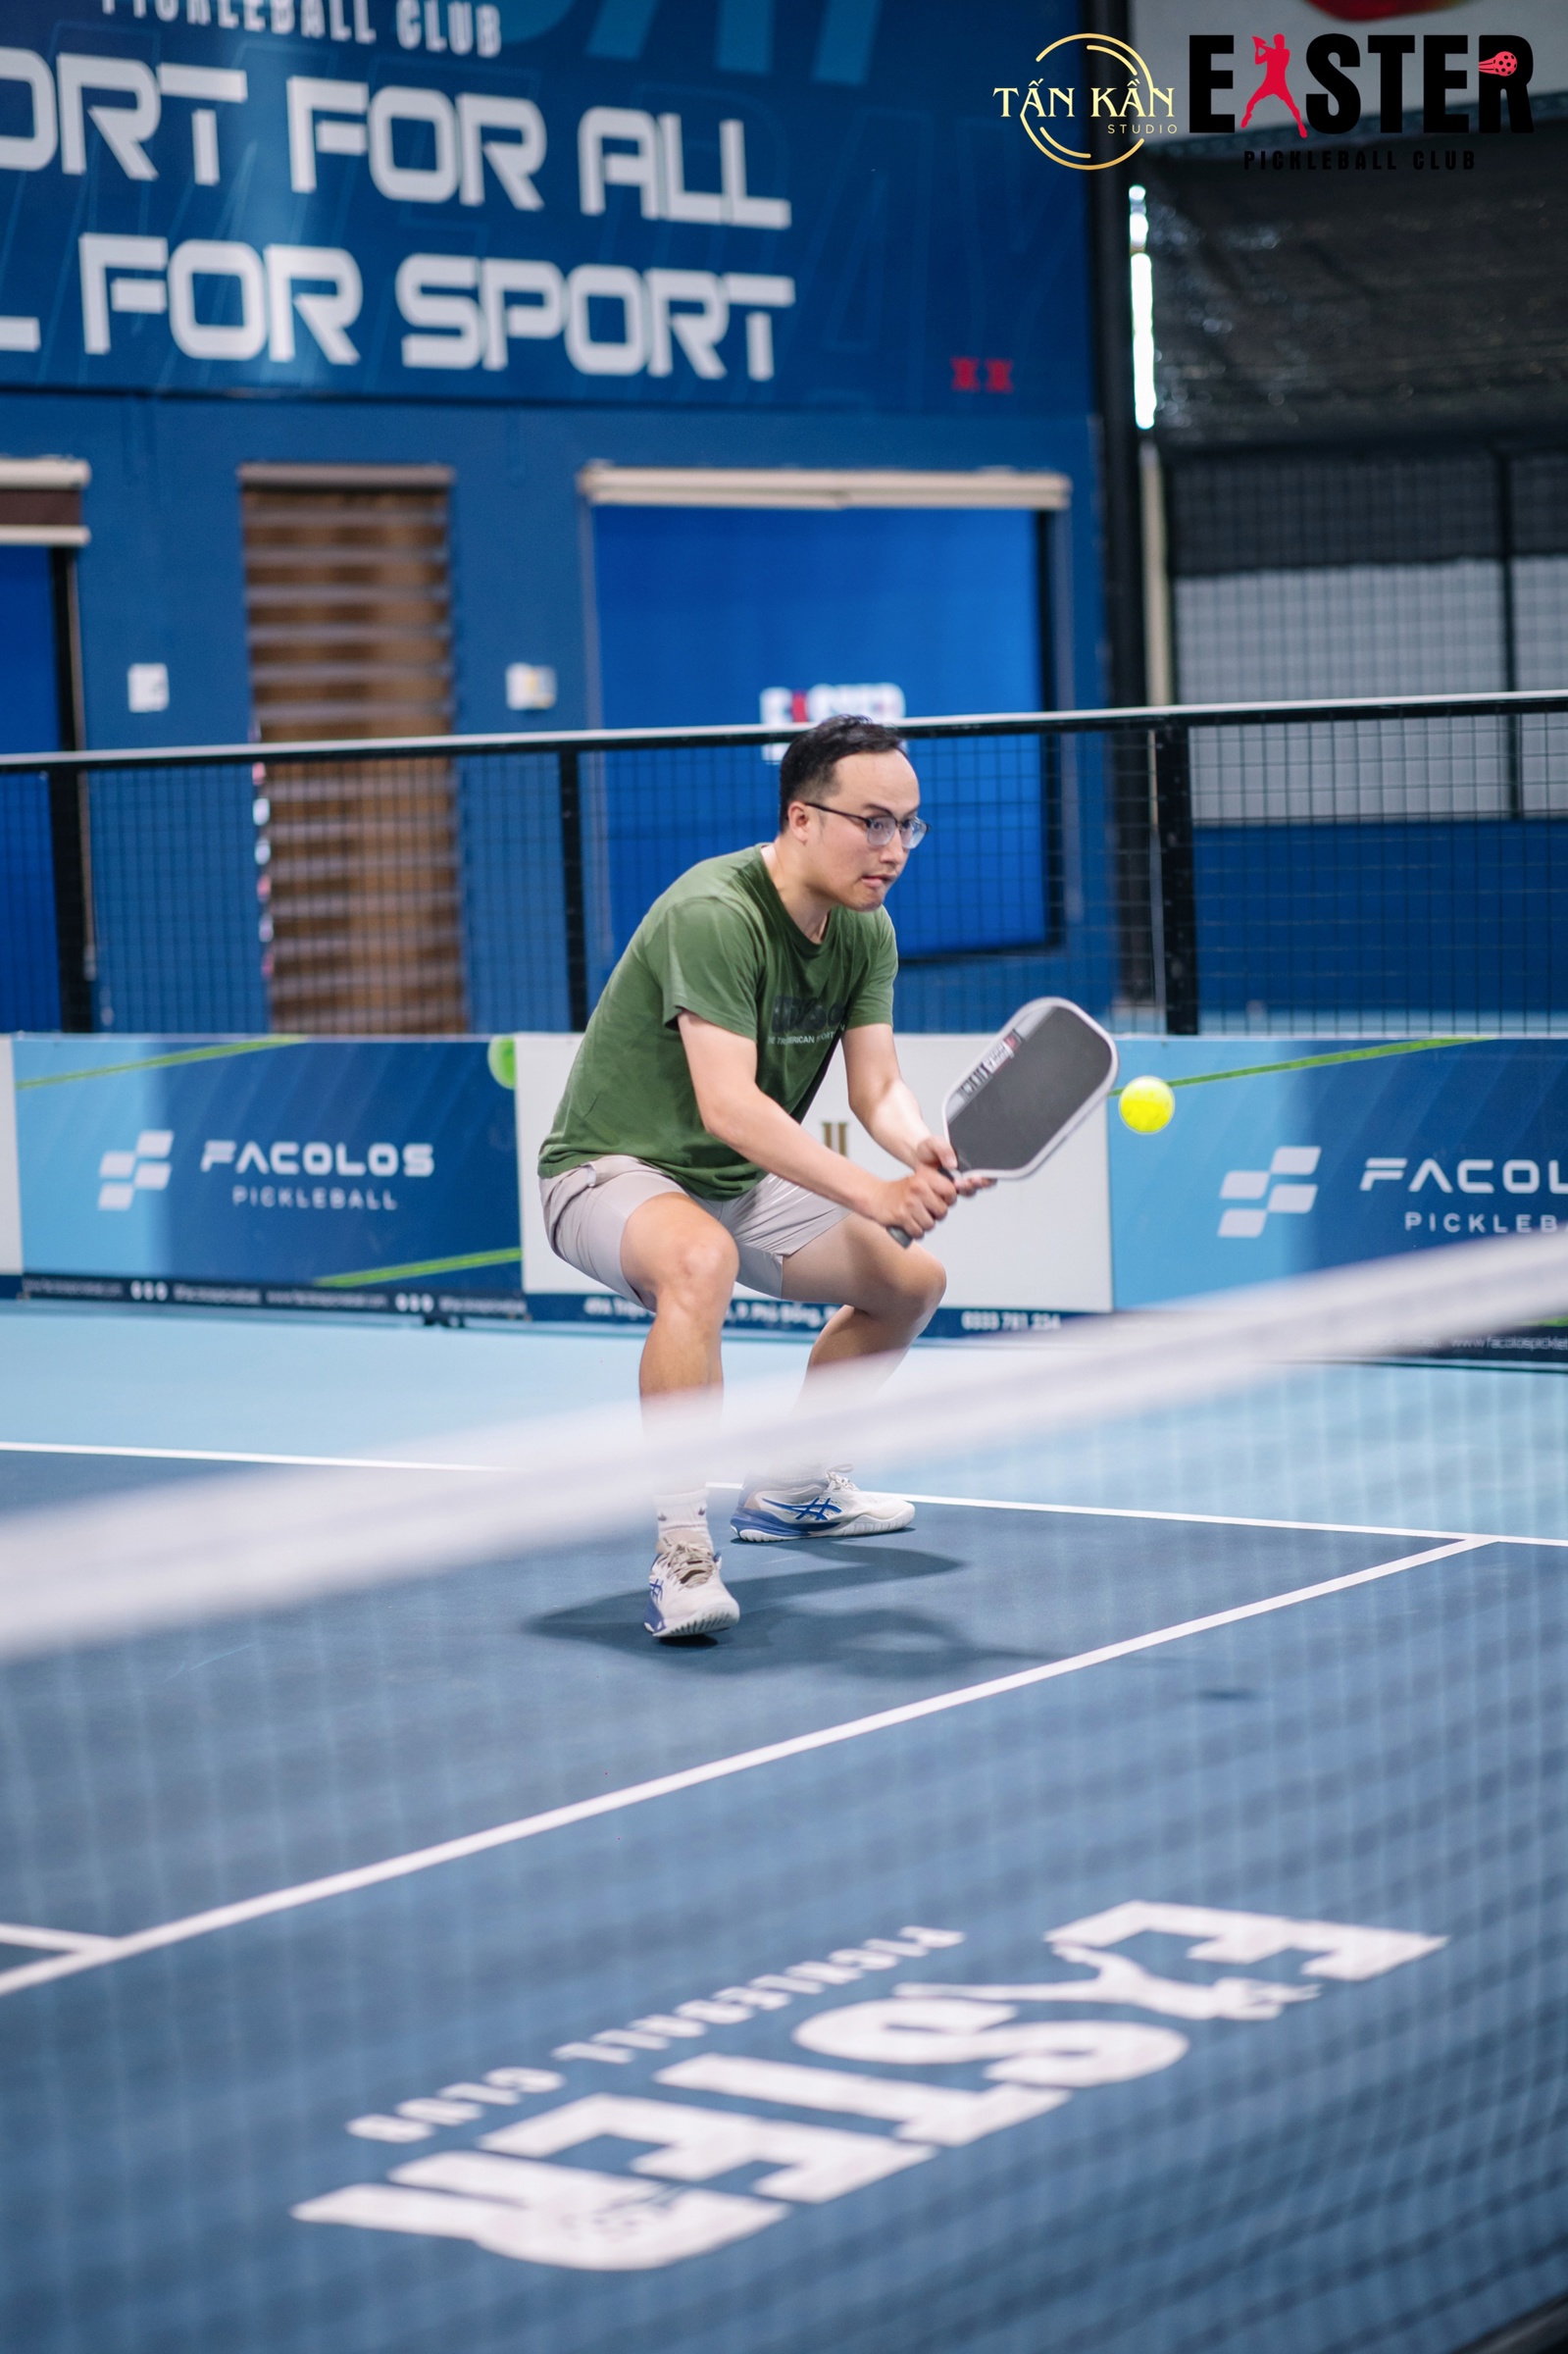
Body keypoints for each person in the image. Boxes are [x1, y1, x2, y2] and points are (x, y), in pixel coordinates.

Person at [538, 713, 985, 1641]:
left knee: (908, 1284)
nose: (894, 848)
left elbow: (877, 1087)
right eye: (872, 822)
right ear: (800, 818)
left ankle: (792, 1486)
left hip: (732, 1181)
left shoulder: (864, 928)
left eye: (907, 825)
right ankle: (680, 1552)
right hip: (608, 1169)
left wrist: (917, 1149)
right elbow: (730, 1108)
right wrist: (873, 1193)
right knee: (697, 1261)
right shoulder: (715, 913)